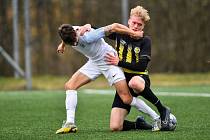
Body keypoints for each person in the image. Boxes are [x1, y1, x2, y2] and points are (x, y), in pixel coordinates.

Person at [55, 23, 160, 134]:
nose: (75, 42)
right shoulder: (69, 33)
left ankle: (157, 118)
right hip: (94, 62)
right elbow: (68, 35)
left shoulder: (89, 36)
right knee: (70, 86)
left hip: (108, 61)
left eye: (76, 39)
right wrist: (62, 45)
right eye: (72, 43)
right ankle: (70, 123)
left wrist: (133, 33)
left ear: (76, 33)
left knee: (126, 98)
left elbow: (114, 26)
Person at [105, 6, 171, 131]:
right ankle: (138, 124)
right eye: (134, 23)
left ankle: (162, 109)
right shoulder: (120, 33)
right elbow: (101, 31)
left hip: (140, 78)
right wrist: (88, 27)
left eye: (139, 25)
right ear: (129, 21)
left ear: (143, 26)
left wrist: (119, 62)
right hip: (123, 83)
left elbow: (142, 66)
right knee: (115, 126)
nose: (135, 26)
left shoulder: (145, 40)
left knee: (134, 82)